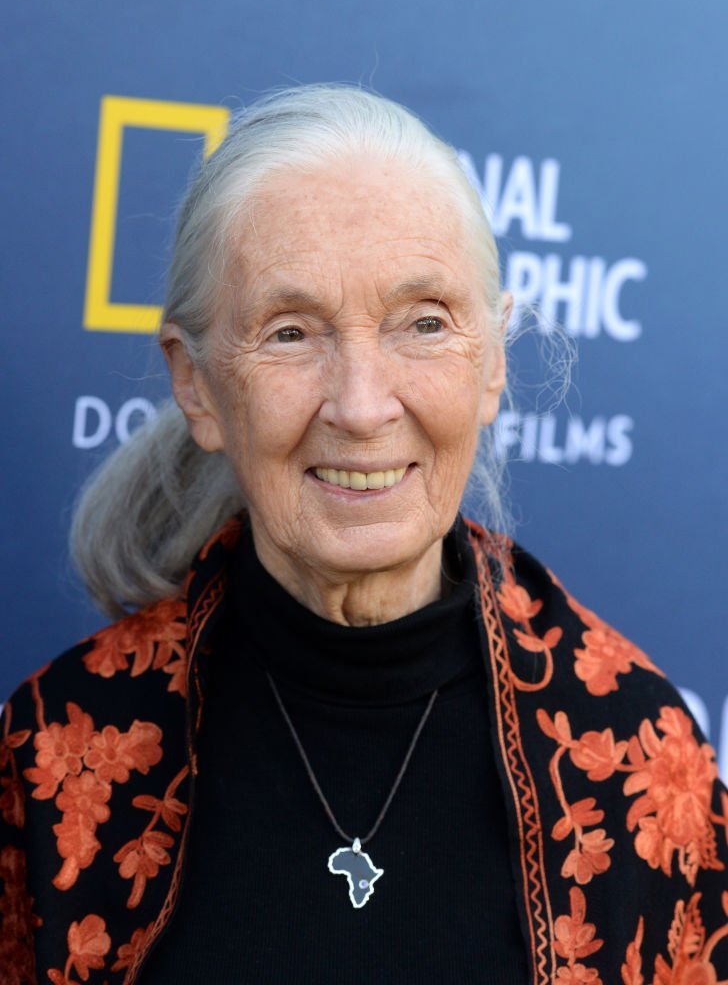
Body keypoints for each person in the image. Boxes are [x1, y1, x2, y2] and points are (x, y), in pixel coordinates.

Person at [1, 84, 726, 985]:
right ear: (196, 386)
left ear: (492, 362)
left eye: (423, 323)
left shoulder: (636, 757)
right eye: (291, 332)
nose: (361, 405)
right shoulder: (57, 753)